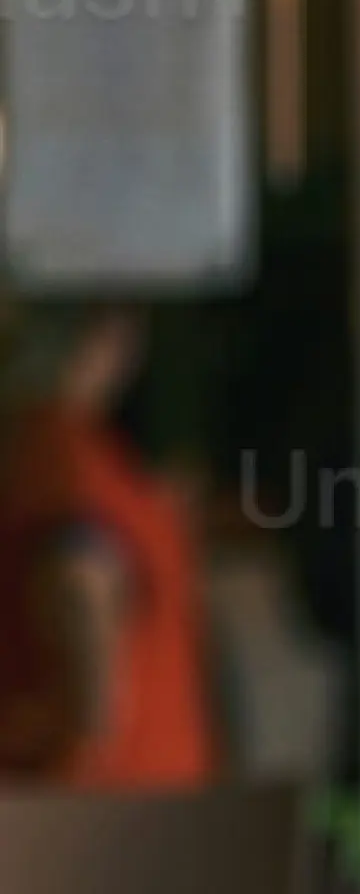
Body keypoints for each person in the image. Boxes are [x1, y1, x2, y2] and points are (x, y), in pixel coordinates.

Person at [0, 304, 218, 785]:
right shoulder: (62, 457)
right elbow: (78, 574)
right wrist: (84, 745)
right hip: (105, 814)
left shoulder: (62, 455)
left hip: (115, 808)